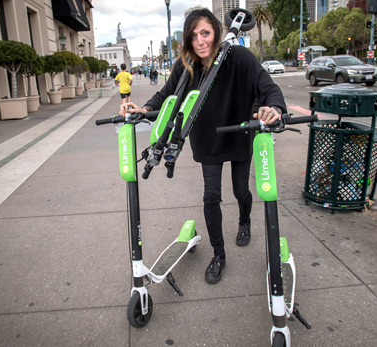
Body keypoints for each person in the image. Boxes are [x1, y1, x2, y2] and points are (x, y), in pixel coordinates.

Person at [120, 8, 286, 285]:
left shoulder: (239, 57)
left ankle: (244, 220)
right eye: (193, 36)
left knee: (241, 190)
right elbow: (166, 94)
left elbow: (267, 87)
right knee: (211, 196)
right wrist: (146, 108)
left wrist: (274, 107)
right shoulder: (186, 65)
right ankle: (219, 254)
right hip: (207, 138)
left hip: (238, 133)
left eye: (205, 33)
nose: (200, 41)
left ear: (216, 33)